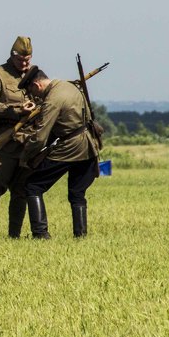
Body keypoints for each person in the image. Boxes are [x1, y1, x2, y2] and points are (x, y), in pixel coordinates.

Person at [19, 67, 102, 239]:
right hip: (88, 145)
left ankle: (40, 235)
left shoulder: (52, 100)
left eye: (31, 91)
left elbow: (41, 136)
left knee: (33, 186)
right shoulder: (71, 87)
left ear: (36, 85)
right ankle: (81, 236)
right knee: (77, 193)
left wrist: (25, 156)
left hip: (69, 148)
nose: (33, 97)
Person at [0, 35, 36, 238]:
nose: (25, 63)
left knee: (20, 191)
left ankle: (15, 236)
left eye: (28, 59)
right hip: (2, 142)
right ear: (12, 55)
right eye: (21, 59)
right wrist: (17, 109)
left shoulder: (34, 74)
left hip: (25, 142)